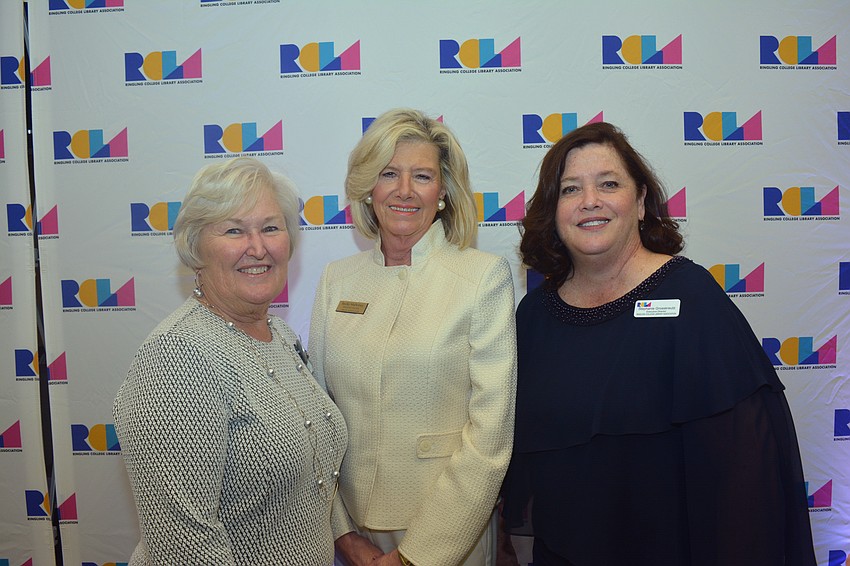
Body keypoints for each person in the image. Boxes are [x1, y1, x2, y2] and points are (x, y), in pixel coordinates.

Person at [501, 122, 816, 565]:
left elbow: (746, 473)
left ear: (642, 201)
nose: (590, 200)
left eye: (608, 184)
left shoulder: (691, 298)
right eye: (571, 189)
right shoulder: (534, 316)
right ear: (553, 210)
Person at [309, 108, 517, 566]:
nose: (404, 191)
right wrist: (343, 535)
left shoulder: (482, 278)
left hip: (446, 534)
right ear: (369, 188)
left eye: (421, 176)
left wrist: (414, 556)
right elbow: (317, 419)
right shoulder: (336, 281)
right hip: (352, 532)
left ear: (442, 192)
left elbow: (490, 437)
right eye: (389, 174)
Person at [114, 157, 347, 565]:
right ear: (196, 247)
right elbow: (183, 548)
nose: (257, 248)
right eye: (234, 230)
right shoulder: (178, 356)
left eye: (271, 228)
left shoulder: (281, 335)